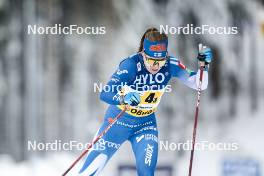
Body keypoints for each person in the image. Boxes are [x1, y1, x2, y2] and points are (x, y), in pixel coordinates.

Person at [78, 27, 212, 176]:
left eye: (159, 62)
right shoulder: (131, 65)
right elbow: (105, 93)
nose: (155, 66)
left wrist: (204, 66)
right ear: (143, 53)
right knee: (89, 171)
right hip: (117, 122)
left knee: (146, 172)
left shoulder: (171, 64)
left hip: (145, 125)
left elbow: (199, 84)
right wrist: (123, 98)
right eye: (151, 61)